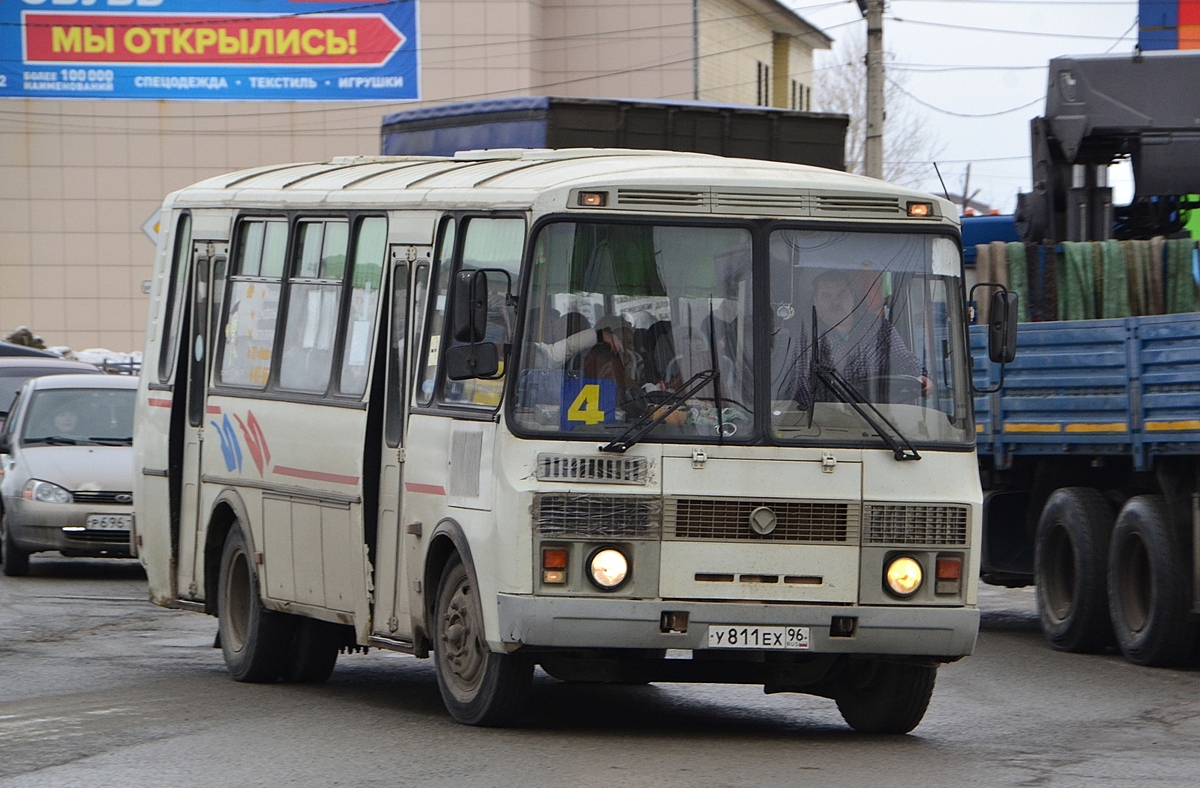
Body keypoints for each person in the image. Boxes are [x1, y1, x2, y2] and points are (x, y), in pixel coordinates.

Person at [784, 268, 931, 408]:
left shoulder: (877, 327)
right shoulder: (806, 337)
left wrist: (920, 377)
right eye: (826, 296)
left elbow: (903, 359)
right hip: (828, 422)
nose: (835, 302)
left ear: (853, 297)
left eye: (841, 294)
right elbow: (799, 381)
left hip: (881, 418)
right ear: (815, 301)